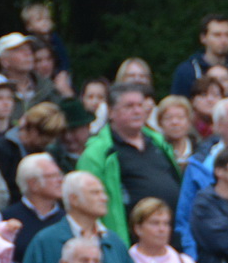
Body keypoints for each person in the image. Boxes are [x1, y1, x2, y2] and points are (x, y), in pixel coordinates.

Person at [76, 83, 180, 241]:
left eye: (140, 105)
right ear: (111, 112)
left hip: (170, 239)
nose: (137, 111)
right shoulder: (97, 153)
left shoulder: (159, 142)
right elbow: (86, 205)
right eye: (129, 106)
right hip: (126, 242)